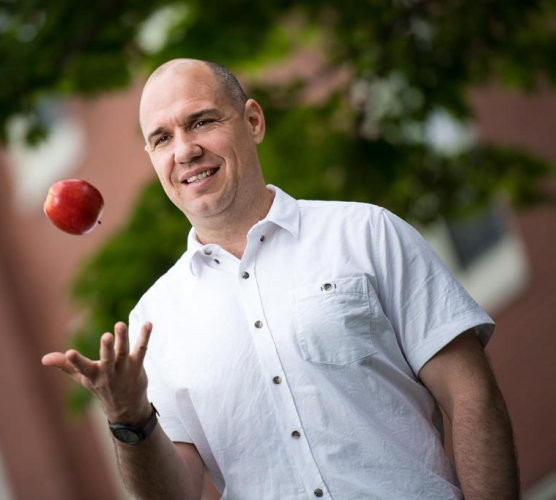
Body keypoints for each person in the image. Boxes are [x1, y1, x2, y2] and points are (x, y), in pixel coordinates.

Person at [42, 59, 520, 499]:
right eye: (162, 138)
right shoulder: (153, 320)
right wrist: (130, 419)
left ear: (253, 121)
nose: (185, 150)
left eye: (201, 121)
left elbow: (472, 394)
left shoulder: (365, 233)